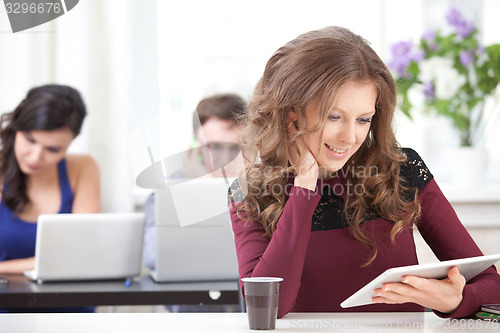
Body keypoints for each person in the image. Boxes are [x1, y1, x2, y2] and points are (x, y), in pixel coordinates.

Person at [228, 26, 500, 319]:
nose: (349, 137)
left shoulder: (402, 170)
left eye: (363, 119)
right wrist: (305, 186)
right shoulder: (250, 192)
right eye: (334, 116)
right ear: (291, 115)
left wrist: (455, 301)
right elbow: (268, 307)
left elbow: (491, 284)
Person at [0, 84, 100, 312]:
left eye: (53, 149)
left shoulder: (83, 167)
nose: (36, 157)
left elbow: (80, 254)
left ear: (70, 144)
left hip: (70, 311)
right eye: (30, 140)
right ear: (16, 128)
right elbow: (65, 260)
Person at [142, 93, 246, 270]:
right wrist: (203, 187)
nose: (225, 159)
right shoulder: (165, 192)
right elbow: (153, 257)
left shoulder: (268, 188)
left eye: (237, 148)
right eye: (214, 147)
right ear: (194, 145)